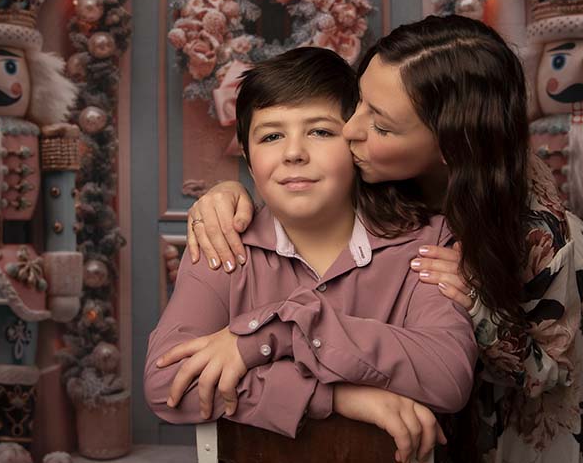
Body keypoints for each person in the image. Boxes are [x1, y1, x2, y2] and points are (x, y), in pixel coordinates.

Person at [184, 16, 583, 462]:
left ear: (450, 145)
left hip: (521, 430)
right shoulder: (377, 169)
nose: (350, 129)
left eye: (381, 126)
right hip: (411, 426)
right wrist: (228, 193)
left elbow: (546, 375)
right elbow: (293, 168)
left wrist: (478, 309)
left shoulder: (540, 235)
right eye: (361, 102)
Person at [144, 47, 478, 463]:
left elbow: (447, 375)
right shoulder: (221, 243)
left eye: (320, 132)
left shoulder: (426, 242)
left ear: (356, 143)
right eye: (271, 136)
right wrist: (338, 397)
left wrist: (282, 332)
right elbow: (167, 384)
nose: (294, 153)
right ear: (248, 157)